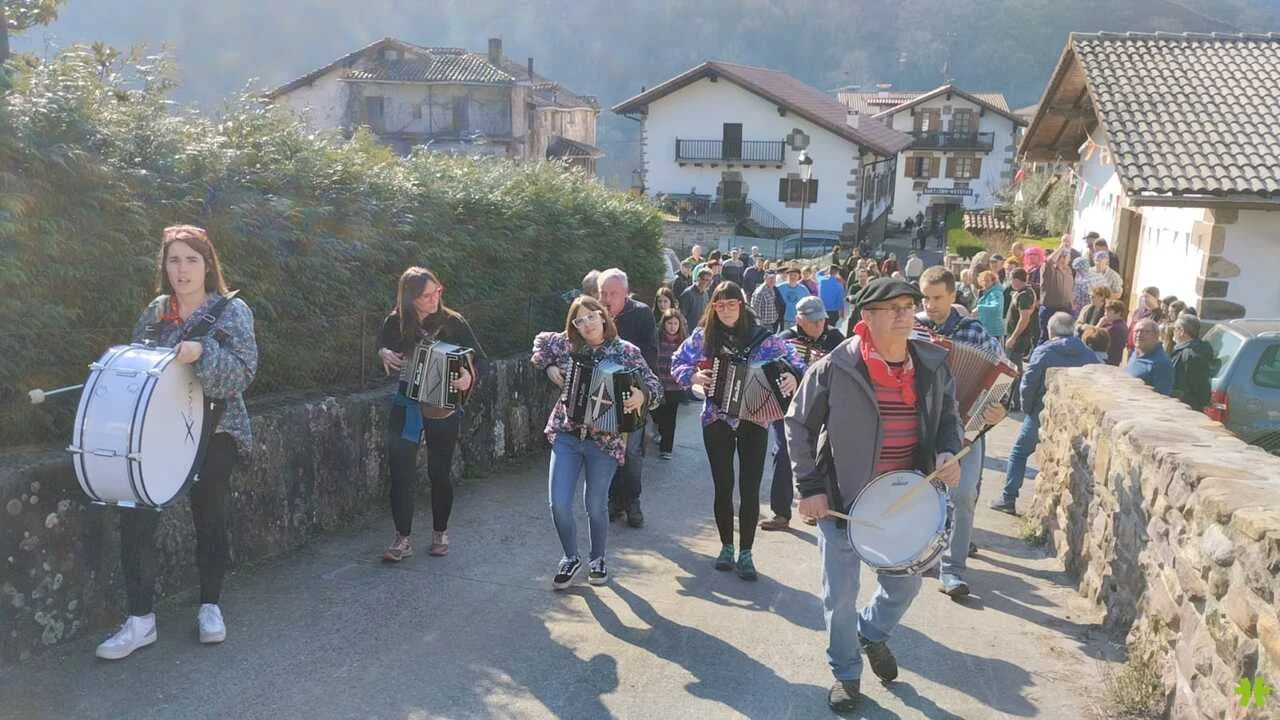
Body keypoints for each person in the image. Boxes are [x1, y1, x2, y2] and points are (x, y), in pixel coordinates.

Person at [785, 277, 964, 712]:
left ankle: (872, 632)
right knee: (840, 595)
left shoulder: (930, 363)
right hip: (842, 502)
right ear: (866, 316)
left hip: (903, 501)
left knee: (905, 587)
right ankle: (847, 674)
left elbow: (948, 418)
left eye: (908, 306)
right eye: (892, 308)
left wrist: (947, 451)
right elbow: (798, 424)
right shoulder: (836, 366)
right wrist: (809, 488)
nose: (905, 314)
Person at [96, 225, 258, 660]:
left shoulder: (231, 311)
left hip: (216, 429)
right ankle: (140, 620)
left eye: (191, 260)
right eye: (174, 260)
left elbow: (242, 375)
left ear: (208, 265)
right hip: (157, 434)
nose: (182, 269)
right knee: (136, 515)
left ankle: (210, 606)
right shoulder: (155, 311)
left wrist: (202, 353)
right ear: (164, 266)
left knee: (210, 516)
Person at [671, 282, 805, 581]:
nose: (726, 309)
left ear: (741, 306)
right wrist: (692, 376)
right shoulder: (704, 336)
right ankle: (726, 547)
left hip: (754, 418)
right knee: (723, 485)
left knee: (749, 487)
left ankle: (746, 553)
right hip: (716, 418)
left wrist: (793, 377)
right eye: (720, 305)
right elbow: (677, 362)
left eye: (732, 303)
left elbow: (798, 362)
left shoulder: (763, 339)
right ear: (713, 307)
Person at [531, 296, 662, 590]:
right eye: (579, 320)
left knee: (595, 504)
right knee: (558, 503)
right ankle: (570, 557)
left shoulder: (626, 351)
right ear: (574, 325)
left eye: (591, 316)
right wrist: (548, 365)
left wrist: (642, 395)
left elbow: (655, 387)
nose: (587, 324)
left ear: (603, 316)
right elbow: (540, 342)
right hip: (567, 434)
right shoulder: (567, 345)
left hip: (604, 441)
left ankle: (597, 559)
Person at [377, 267, 486, 563]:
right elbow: (383, 347)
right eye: (426, 296)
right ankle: (402, 539)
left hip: (442, 406)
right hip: (407, 404)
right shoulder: (395, 322)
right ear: (410, 298)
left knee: (439, 471)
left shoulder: (453, 323)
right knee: (401, 472)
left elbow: (480, 360)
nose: (434, 298)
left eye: (437, 291)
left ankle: (440, 532)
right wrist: (383, 352)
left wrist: (468, 377)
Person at [914, 267, 1007, 597]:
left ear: (953, 295)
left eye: (937, 298)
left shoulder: (975, 332)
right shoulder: (913, 329)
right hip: (919, 425)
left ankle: (952, 569)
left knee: (963, 493)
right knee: (918, 491)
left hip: (966, 428)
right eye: (925, 298)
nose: (930, 305)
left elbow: (1003, 377)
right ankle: (918, 553)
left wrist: (999, 409)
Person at [990, 312, 1099, 515]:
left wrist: (1027, 409)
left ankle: (1008, 498)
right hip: (1075, 418)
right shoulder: (1088, 354)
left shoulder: (1044, 351)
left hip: (1041, 410)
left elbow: (1029, 383)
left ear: (1051, 331)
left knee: (1019, 452)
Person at [760, 296, 844, 532]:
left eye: (821, 320)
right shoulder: (784, 340)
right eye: (813, 321)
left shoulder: (836, 339)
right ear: (799, 320)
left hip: (824, 409)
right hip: (786, 408)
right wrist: (786, 375)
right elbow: (768, 370)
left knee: (821, 456)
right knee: (783, 454)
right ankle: (780, 512)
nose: (819, 325)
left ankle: (813, 507)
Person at [598, 269, 659, 527]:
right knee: (608, 449)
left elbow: (650, 353)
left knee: (632, 451)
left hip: (634, 392)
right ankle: (613, 500)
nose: (606, 299)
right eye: (602, 293)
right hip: (604, 393)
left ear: (625, 292)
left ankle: (632, 501)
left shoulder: (642, 313)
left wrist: (641, 389)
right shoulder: (595, 314)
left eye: (612, 293)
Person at [652, 309, 689, 459]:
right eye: (669, 323)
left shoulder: (683, 342)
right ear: (663, 324)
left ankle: (666, 448)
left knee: (670, 417)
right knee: (658, 414)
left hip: (674, 386)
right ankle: (660, 432)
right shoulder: (657, 340)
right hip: (658, 384)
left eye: (675, 323)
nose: (672, 327)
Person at [1004, 268, 1037, 411]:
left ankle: (1015, 402)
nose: (1010, 282)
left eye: (1011, 279)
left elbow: (1024, 319)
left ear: (1016, 280)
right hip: (1018, 338)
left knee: (1013, 371)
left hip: (1018, 339)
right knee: (1015, 369)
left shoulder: (1024, 295)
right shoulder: (1028, 292)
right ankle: (1015, 400)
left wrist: (1013, 337)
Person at [1169, 314, 1214, 412]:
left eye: (1175, 329)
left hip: (1186, 408)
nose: (1173, 332)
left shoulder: (1192, 355)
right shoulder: (1194, 349)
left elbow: (1199, 388)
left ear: (1181, 331)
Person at [1038, 238, 1076, 342]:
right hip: (1050, 310)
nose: (1063, 259)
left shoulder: (1069, 271)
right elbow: (1049, 261)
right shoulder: (1049, 270)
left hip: (1066, 310)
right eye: (1060, 256)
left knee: (1066, 340)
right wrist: (1061, 247)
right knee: (1046, 338)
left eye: (1065, 256)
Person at [1127, 318, 1174, 395]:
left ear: (1156, 335)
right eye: (1136, 331)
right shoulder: (1135, 353)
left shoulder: (1161, 363)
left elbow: (1162, 395)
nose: (1139, 335)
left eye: (1145, 331)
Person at [1126, 287, 1163, 359]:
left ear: (1155, 298)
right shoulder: (1139, 311)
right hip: (1132, 348)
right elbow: (1131, 327)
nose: (1144, 299)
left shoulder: (1159, 314)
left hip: (1144, 351)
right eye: (1143, 297)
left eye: (1147, 296)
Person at [974, 271, 1006, 342]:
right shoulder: (988, 292)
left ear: (993, 281)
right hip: (988, 329)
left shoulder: (996, 292)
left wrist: (979, 308)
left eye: (987, 281)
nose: (985, 283)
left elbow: (997, 307)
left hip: (993, 331)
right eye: (983, 280)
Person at [750, 268, 783, 333]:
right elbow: (755, 311)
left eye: (774, 278)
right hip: (764, 326)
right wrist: (759, 326)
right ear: (765, 278)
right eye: (770, 278)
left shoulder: (773, 288)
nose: (773, 280)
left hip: (774, 323)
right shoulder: (760, 292)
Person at [1100, 300, 1128, 366]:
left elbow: (1093, 337)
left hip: (1107, 362)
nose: (1105, 314)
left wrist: (1099, 324)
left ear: (1118, 313)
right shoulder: (1122, 325)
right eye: (1105, 311)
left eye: (1109, 311)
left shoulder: (1114, 328)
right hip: (1113, 361)